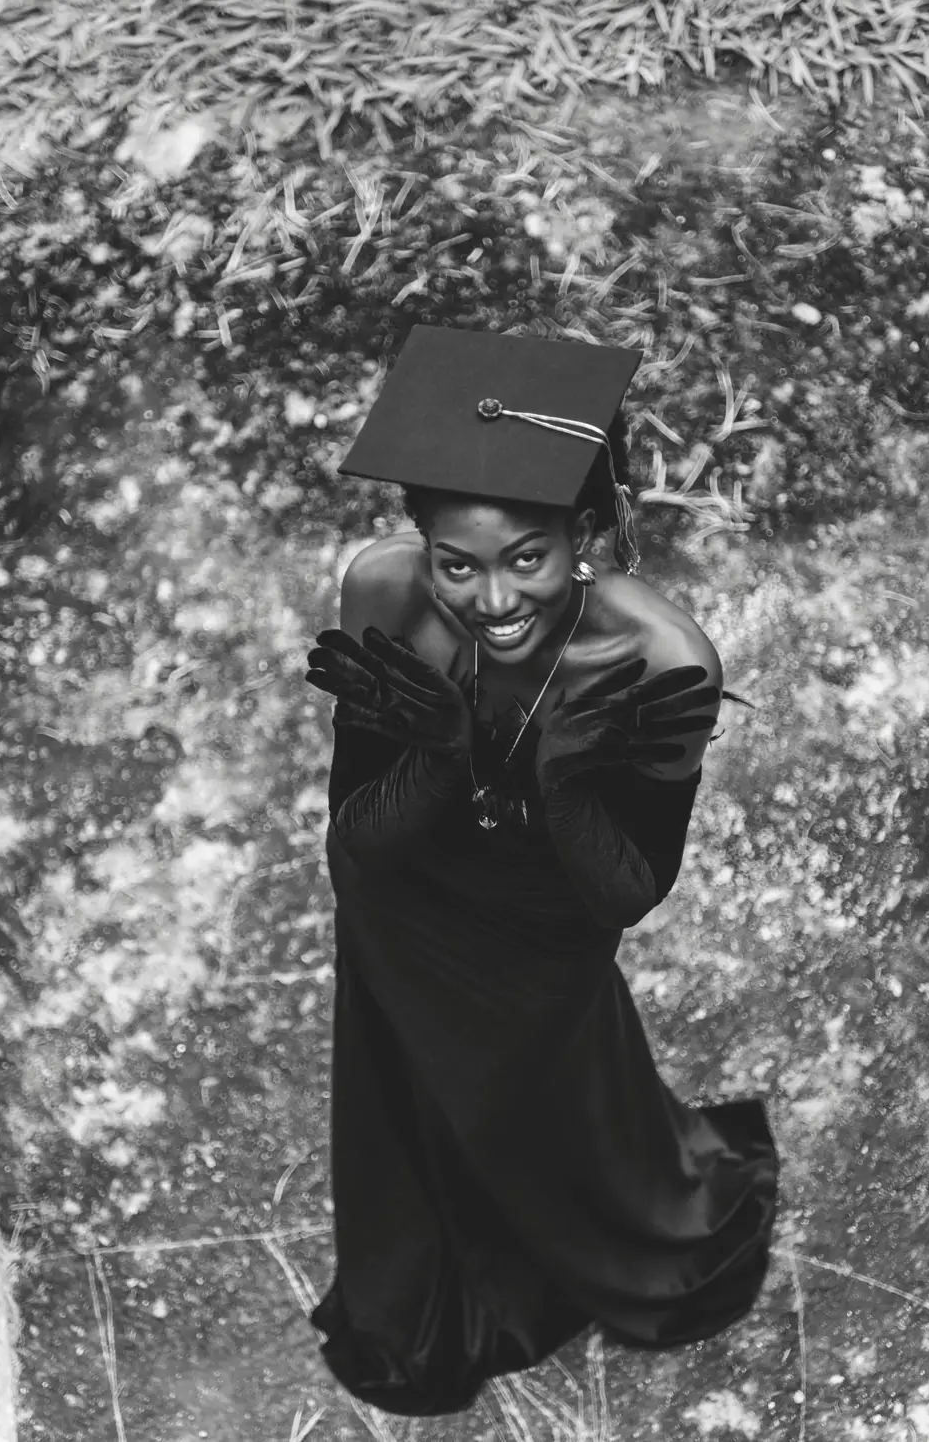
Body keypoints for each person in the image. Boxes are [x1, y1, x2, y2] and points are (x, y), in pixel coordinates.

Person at [304, 325, 778, 1417]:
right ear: (417, 545)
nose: (493, 600)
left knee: (550, 1102)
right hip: (401, 917)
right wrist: (434, 752)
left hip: (544, 926)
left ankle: (608, 1232)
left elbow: (623, 896)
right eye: (456, 563)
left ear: (585, 535)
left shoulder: (664, 660)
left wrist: (565, 782)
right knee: (414, 1096)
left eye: (528, 556)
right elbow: (355, 853)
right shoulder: (380, 588)